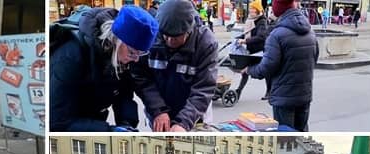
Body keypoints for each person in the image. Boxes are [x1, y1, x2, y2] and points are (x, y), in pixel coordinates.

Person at [50, 5, 158, 131]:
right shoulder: (71, 55)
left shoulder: (122, 55)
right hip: (70, 122)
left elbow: (124, 93)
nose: (136, 59)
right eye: (132, 52)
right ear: (116, 40)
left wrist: (126, 123)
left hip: (93, 119)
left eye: (141, 53)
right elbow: (57, 121)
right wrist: (109, 130)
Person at [132, 0, 218, 131]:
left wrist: (183, 123)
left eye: (176, 37)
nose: (170, 40)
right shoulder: (151, 36)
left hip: (193, 116)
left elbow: (203, 88)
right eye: (165, 35)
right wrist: (158, 110)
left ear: (189, 30)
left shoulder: (205, 43)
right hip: (158, 114)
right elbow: (141, 77)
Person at [243, 0, 318, 131]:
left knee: (285, 136)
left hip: (284, 98)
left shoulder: (276, 35)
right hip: (304, 95)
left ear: (278, 9)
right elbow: (314, 59)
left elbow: (266, 68)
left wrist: (248, 69)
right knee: (300, 135)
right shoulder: (310, 31)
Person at [236, 2, 273, 101]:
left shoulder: (262, 21)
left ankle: (269, 91)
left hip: (260, 51)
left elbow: (261, 37)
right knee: (245, 71)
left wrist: (245, 41)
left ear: (258, 11)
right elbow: (247, 33)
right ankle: (238, 91)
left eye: (253, 9)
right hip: (251, 50)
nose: (250, 11)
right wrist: (238, 38)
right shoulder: (250, 20)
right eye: (250, 9)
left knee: (265, 72)